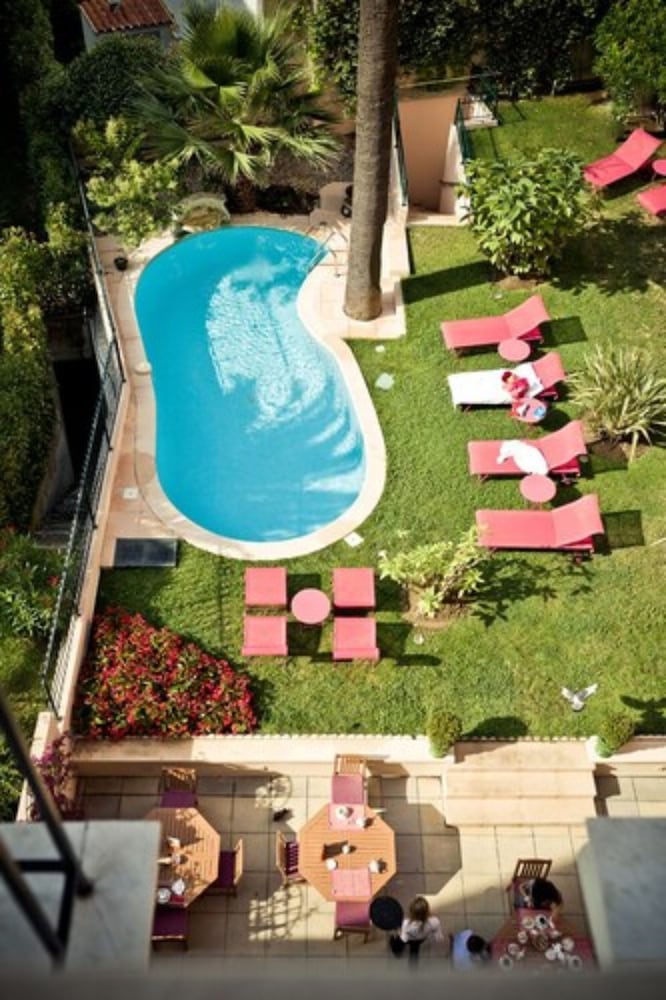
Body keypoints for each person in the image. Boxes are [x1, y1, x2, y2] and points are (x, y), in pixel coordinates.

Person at [393, 896, 444, 964]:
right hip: (421, 939)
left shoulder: (406, 923)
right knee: (414, 951)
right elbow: (439, 937)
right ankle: (413, 967)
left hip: (410, 939)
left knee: (397, 942)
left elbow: (404, 939)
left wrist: (398, 932)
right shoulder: (434, 921)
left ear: (411, 912)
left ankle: (397, 952)